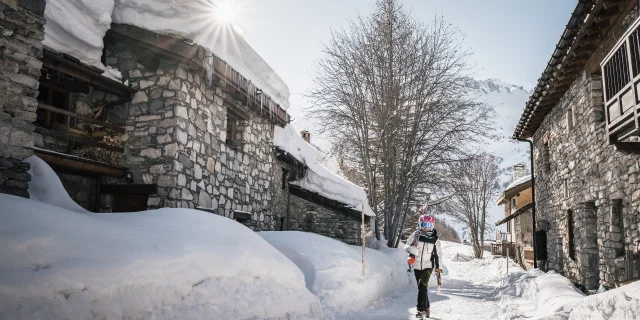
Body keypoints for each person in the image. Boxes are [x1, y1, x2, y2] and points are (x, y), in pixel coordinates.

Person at [405, 214, 442, 319]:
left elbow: (438, 255)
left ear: (432, 226)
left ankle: (420, 310)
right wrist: (411, 249)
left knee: (422, 285)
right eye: (424, 224)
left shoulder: (435, 239)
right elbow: (407, 246)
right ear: (420, 224)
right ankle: (427, 308)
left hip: (428, 265)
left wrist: (438, 269)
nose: (426, 227)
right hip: (416, 265)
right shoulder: (416, 235)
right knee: (422, 288)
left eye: (429, 225)